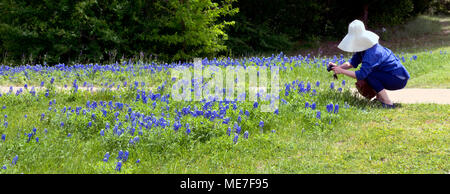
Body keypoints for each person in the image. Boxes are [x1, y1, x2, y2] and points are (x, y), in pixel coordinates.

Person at [329, 19, 410, 108]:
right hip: (391, 75)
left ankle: (388, 103)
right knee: (371, 74)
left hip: (398, 78)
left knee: (369, 75)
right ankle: (380, 99)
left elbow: (361, 75)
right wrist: (338, 67)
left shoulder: (372, 52)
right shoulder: (364, 48)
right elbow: (352, 63)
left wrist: (342, 71)